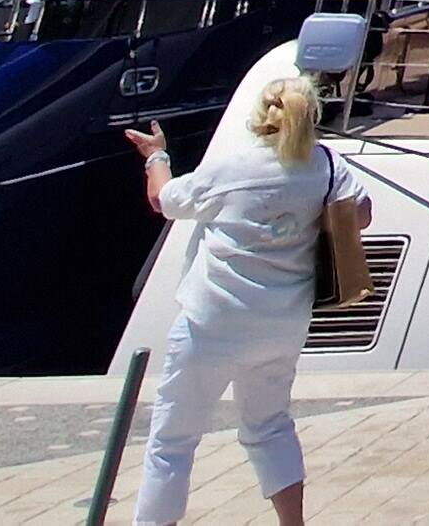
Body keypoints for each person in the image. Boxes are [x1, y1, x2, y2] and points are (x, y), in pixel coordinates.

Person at [117, 73, 368, 526]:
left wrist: (157, 155)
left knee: (173, 439)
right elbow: (360, 214)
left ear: (260, 118)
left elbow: (163, 200)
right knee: (269, 427)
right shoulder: (328, 164)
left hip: (212, 322)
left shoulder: (231, 168)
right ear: (311, 116)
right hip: (282, 325)